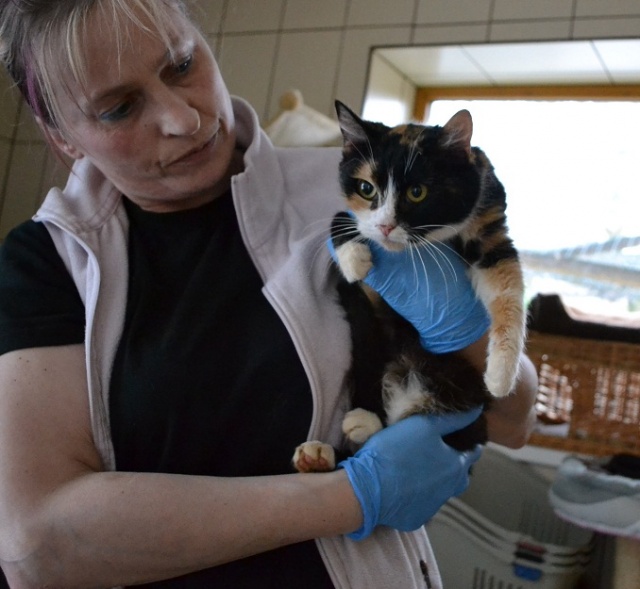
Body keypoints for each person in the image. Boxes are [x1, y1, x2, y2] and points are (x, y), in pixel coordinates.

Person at [0, 1, 538, 587]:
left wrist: (466, 331)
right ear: (62, 137)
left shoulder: (354, 196)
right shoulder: (49, 263)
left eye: (182, 65)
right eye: (120, 108)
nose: (183, 118)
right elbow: (34, 547)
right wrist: (352, 497)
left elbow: (515, 421)